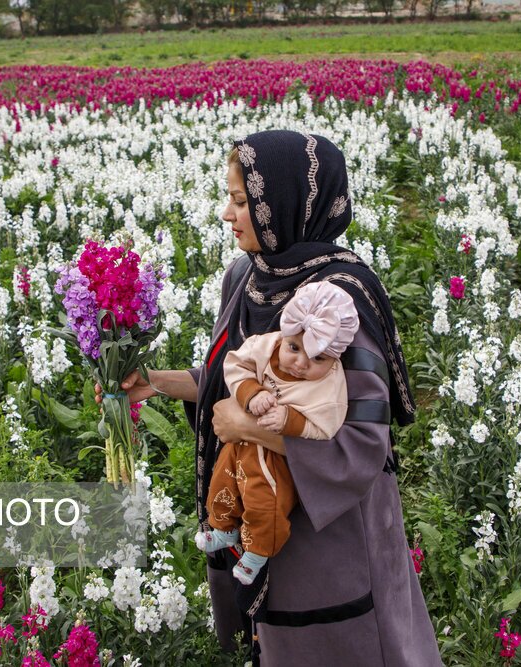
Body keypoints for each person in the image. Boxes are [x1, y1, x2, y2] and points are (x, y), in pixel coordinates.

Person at [101, 130, 441, 666]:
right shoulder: (248, 277)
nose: (227, 214)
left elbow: (361, 445)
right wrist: (157, 381)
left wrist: (249, 428)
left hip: (329, 541)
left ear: (281, 205)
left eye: (241, 202)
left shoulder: (337, 300)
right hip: (258, 504)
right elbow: (239, 379)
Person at [197, 281, 360, 586]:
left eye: (318, 358)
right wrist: (250, 393)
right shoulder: (268, 345)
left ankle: (257, 553)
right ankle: (223, 527)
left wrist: (289, 420)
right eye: (294, 348)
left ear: (336, 358)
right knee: (223, 478)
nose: (300, 363)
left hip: (275, 460)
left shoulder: (330, 386)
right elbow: (236, 365)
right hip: (239, 445)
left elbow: (325, 427)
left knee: (264, 501)